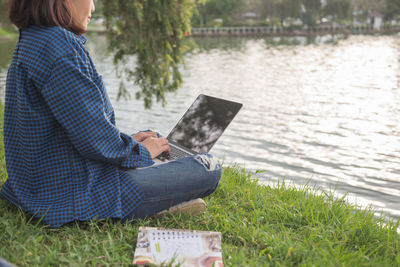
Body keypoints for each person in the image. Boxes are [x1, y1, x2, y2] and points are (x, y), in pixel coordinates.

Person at [0, 0, 222, 228]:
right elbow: (94, 142)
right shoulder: (59, 47)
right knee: (208, 167)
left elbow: (78, 125)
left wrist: (129, 142)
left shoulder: (33, 38)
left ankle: (156, 199)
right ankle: (149, 207)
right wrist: (141, 152)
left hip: (35, 187)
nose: (94, 7)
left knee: (155, 148)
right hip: (72, 195)